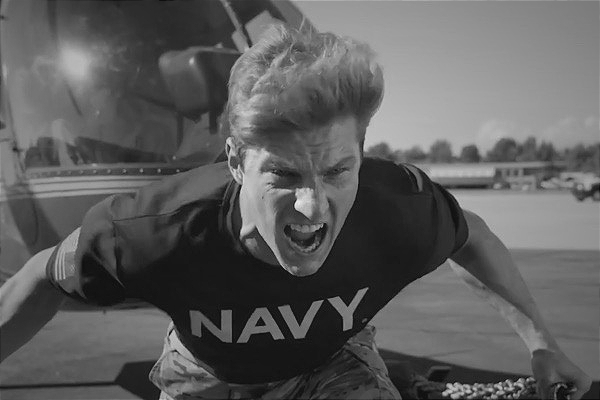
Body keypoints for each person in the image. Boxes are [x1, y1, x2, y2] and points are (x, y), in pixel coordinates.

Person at [0, 25, 592, 400]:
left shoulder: (397, 207)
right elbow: (44, 274)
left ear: (361, 153)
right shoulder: (154, 230)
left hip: (333, 360)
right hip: (208, 370)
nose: (312, 206)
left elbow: (472, 236)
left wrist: (541, 343)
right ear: (236, 161)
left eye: (337, 171)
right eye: (284, 174)